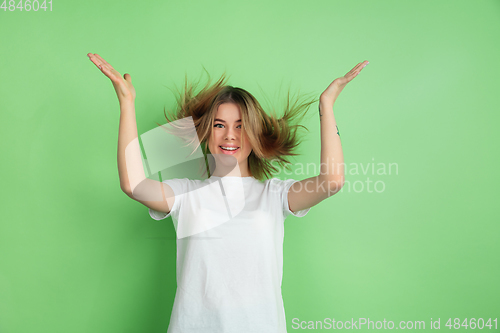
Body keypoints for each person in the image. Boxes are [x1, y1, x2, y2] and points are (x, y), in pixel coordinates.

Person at [87, 53, 368, 332]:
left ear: (255, 134)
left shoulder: (274, 195)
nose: (230, 135)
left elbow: (332, 181)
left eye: (241, 126)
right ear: (207, 132)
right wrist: (127, 103)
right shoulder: (186, 195)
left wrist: (326, 105)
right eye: (219, 125)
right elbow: (133, 184)